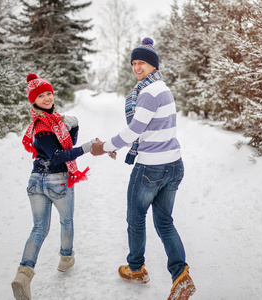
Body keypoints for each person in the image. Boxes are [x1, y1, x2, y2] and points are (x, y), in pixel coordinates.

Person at [91, 38, 196, 300]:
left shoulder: (147, 93)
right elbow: (150, 128)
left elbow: (135, 130)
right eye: (134, 63)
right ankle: (180, 275)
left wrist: (105, 146)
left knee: (136, 218)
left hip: (151, 167)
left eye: (143, 63)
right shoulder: (163, 89)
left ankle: (136, 269)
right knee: (164, 221)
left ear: (153, 65)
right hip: (174, 165)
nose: (137, 67)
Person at [11, 73, 96, 300]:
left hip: (35, 180)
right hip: (56, 179)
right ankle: (66, 259)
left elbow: (65, 145)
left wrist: (73, 128)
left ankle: (24, 274)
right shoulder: (42, 125)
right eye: (41, 96)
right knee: (66, 221)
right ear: (33, 101)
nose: (47, 98)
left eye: (49, 93)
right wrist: (86, 148)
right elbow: (59, 156)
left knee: (39, 228)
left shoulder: (52, 122)